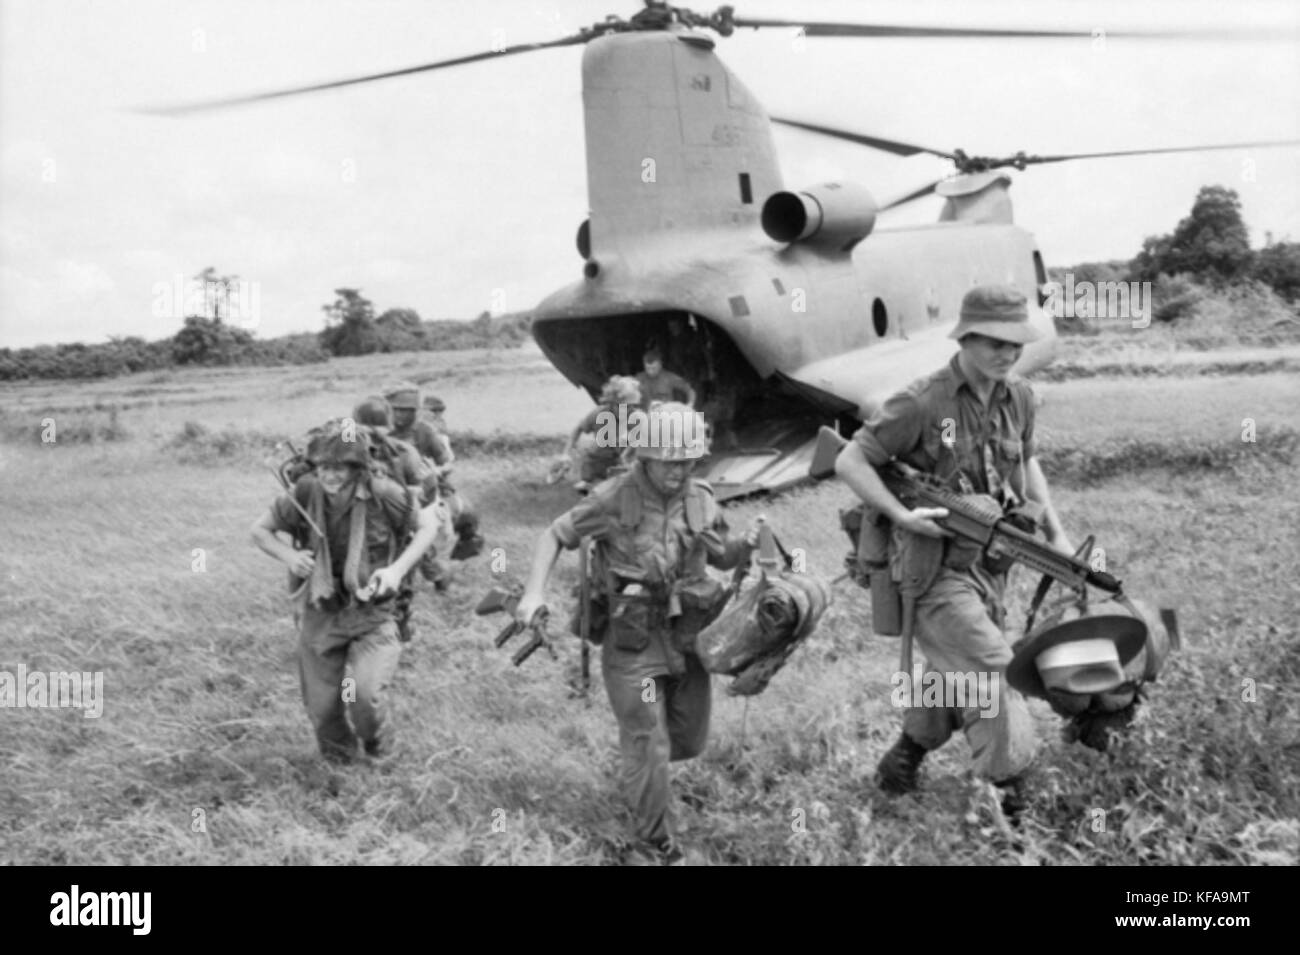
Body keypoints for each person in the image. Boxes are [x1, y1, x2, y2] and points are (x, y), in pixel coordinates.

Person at [834, 285, 1075, 820]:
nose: (1008, 353)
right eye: (995, 342)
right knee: (992, 669)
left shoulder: (1020, 397)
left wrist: (1055, 533)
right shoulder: (921, 401)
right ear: (965, 336)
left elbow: (1028, 463)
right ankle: (1012, 800)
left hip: (990, 568)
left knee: (955, 666)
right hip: (931, 571)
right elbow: (852, 461)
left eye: (1017, 343)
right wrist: (900, 515)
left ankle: (904, 758)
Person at [515, 402, 759, 865]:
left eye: (688, 460)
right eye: (670, 461)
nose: (679, 470)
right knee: (650, 737)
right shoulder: (613, 498)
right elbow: (554, 535)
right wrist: (533, 593)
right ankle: (655, 843)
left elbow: (721, 556)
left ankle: (644, 775)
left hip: (688, 637)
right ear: (646, 456)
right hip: (634, 641)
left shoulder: (701, 498)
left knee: (688, 740)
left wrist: (745, 547)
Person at [250, 419, 444, 764]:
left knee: (365, 697)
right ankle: (340, 765)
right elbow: (261, 531)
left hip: (375, 612)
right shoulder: (306, 493)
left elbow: (428, 525)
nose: (330, 476)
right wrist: (291, 556)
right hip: (323, 610)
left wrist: (396, 570)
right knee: (322, 708)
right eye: (324, 466)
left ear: (358, 468)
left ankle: (378, 747)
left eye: (340, 468)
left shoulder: (384, 493)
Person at [351, 396, 449, 642]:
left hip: (393, 525)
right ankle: (390, 628)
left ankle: (396, 629)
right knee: (393, 580)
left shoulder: (402, 452)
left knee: (398, 581)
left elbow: (423, 488)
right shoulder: (400, 451)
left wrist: (423, 491)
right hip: (373, 526)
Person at [559, 375, 641, 494]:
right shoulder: (599, 414)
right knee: (594, 494)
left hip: (620, 462)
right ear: (612, 403)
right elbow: (578, 429)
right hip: (595, 462)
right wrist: (566, 454)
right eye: (622, 406)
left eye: (630, 406)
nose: (627, 410)